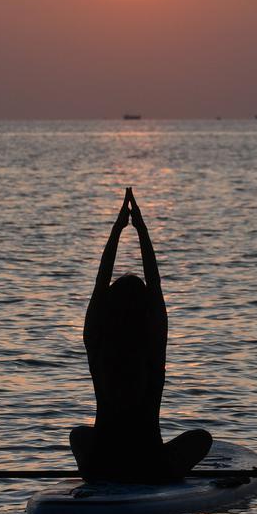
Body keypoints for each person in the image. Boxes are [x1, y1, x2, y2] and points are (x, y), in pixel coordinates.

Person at [69, 188, 212, 483]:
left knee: (78, 434)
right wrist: (142, 229)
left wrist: (117, 229)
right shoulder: (152, 347)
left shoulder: (97, 346)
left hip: (101, 464)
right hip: (150, 466)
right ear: (145, 313)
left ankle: (98, 469)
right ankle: (166, 472)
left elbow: (99, 284)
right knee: (202, 438)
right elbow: (156, 284)